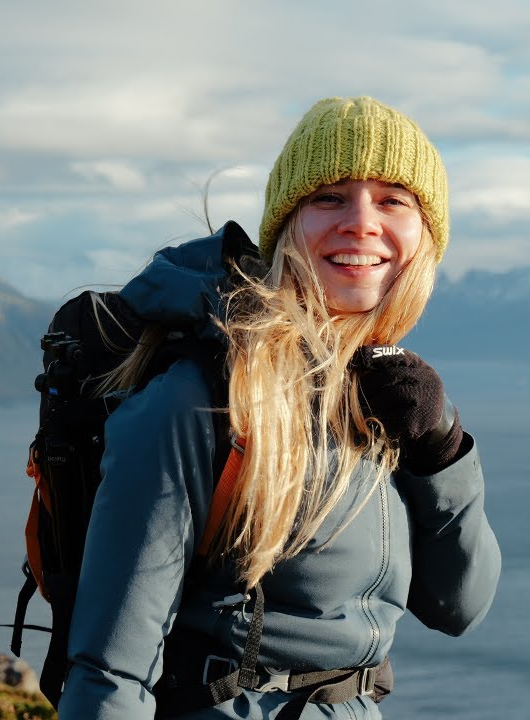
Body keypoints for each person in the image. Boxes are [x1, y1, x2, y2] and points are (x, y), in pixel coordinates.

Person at [57, 96, 501, 719]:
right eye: (329, 197)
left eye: (393, 200)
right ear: (287, 226)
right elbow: (110, 670)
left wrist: (442, 450)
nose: (362, 222)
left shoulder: (391, 394)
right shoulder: (204, 400)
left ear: (427, 235)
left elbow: (461, 604)